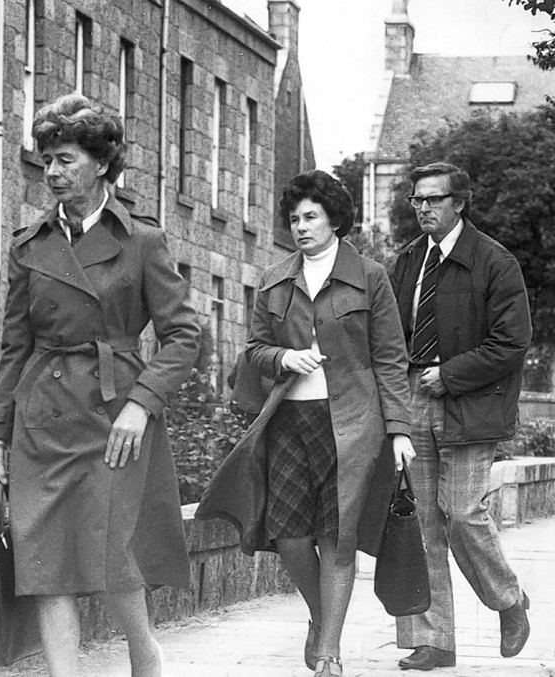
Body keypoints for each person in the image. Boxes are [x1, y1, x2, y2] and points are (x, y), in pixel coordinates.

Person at [0, 93, 200, 677]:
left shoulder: (142, 241)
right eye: (47, 159)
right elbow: (12, 350)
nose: (52, 171)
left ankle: (144, 654)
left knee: (113, 556)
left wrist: (141, 405)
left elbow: (183, 336)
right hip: (42, 418)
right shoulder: (30, 246)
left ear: (102, 164)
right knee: (45, 562)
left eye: (66, 158)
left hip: (115, 419)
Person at [197, 170, 415, 677]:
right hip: (290, 421)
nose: (300, 226)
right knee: (291, 534)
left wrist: (399, 429)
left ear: (334, 219)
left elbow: (389, 358)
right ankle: (322, 619)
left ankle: (329, 655)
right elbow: (252, 349)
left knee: (337, 537)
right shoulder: (274, 278)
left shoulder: (370, 276)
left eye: (310, 216)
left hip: (353, 425)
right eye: (293, 219)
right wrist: (282, 358)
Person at [390, 162, 532, 671]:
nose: (423, 208)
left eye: (433, 199)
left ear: (460, 203)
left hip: (470, 402)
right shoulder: (407, 262)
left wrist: (449, 375)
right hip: (412, 398)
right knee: (421, 521)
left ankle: (508, 601)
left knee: (463, 513)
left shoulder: (495, 262)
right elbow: (389, 336)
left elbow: (512, 342)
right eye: (417, 201)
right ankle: (435, 641)